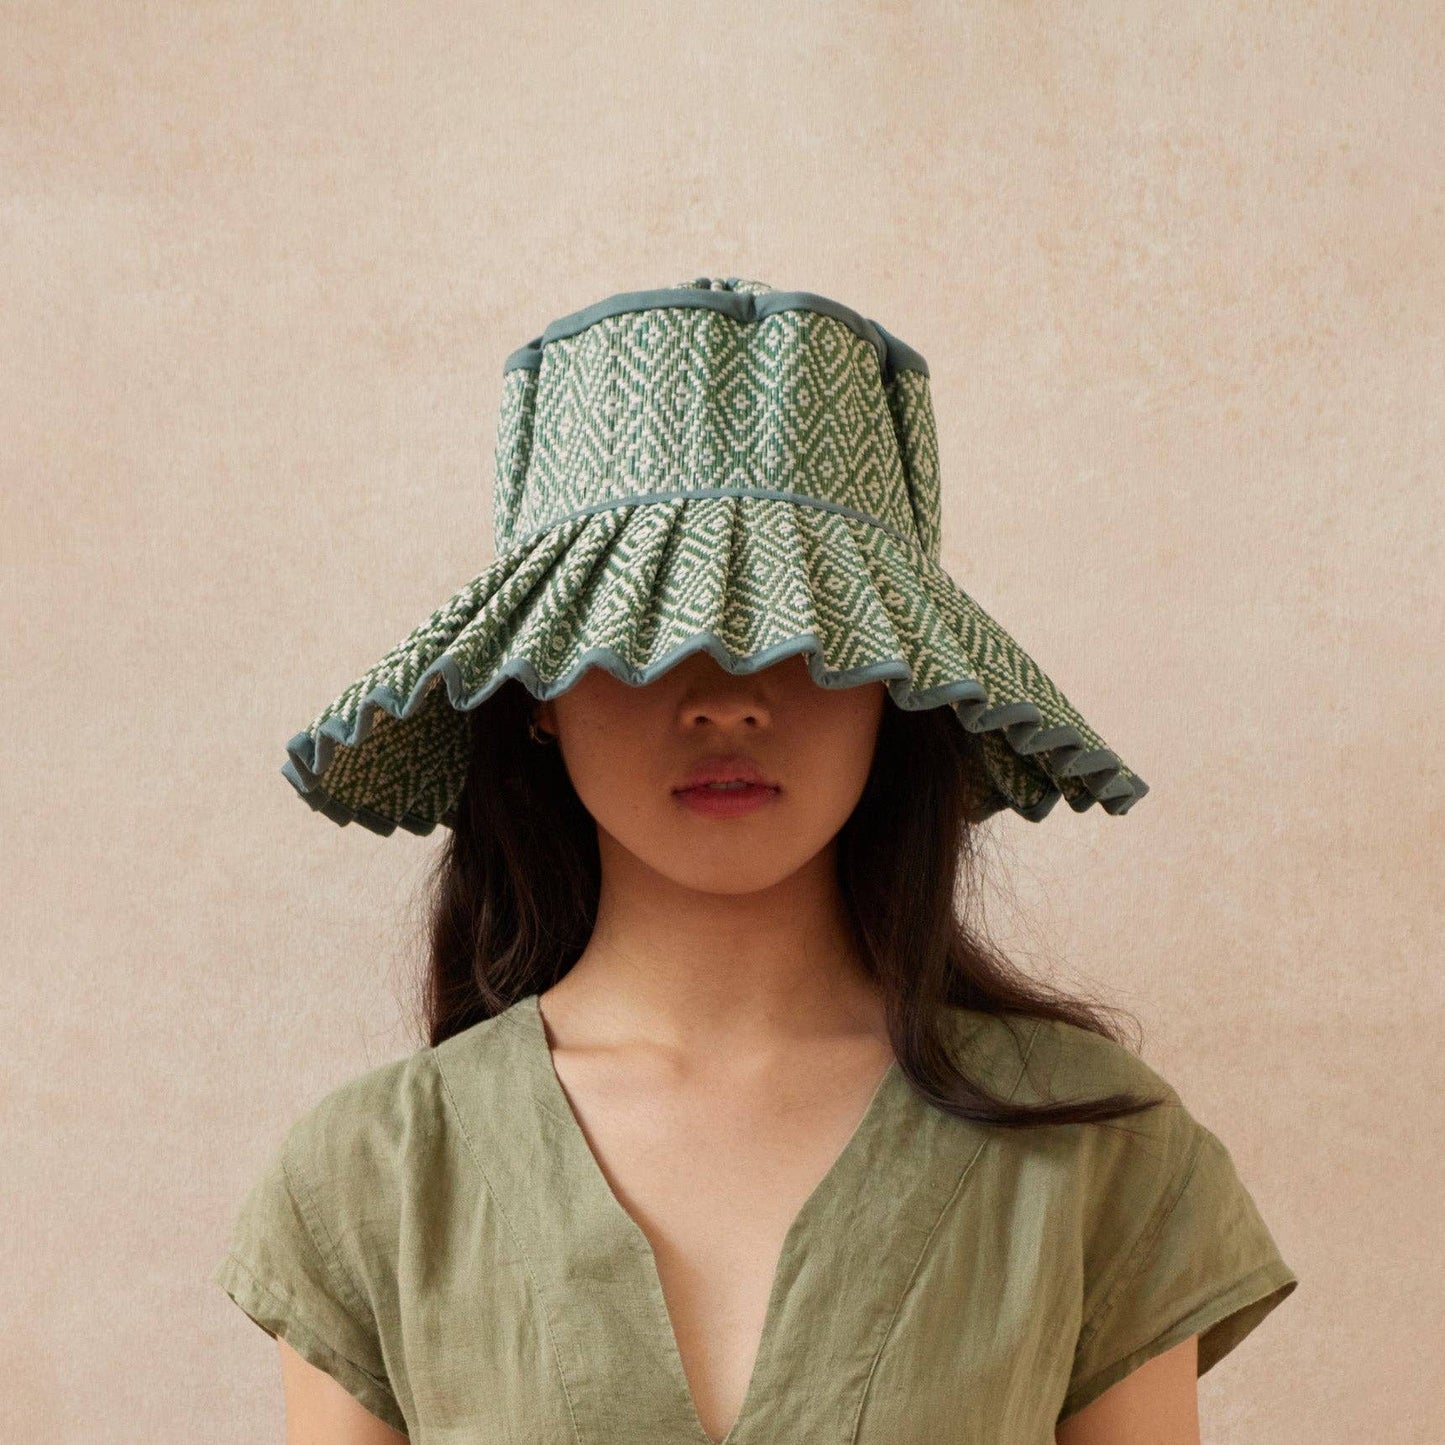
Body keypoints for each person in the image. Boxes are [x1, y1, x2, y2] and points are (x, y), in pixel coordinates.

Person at [212, 277, 1297, 1444]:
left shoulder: (1095, 1154)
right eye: (642, 633)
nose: (724, 700)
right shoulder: (370, 1178)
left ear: (895, 678)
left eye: (801, 632)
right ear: (537, 687)